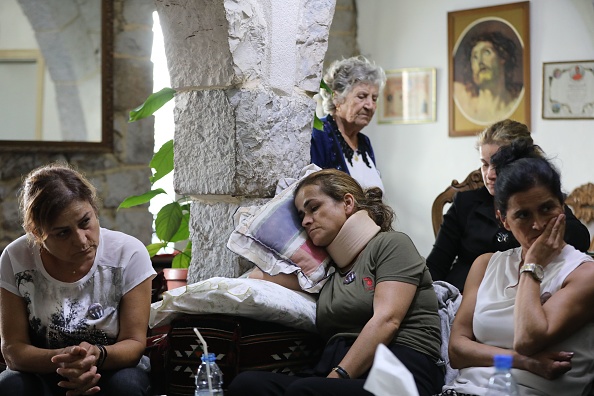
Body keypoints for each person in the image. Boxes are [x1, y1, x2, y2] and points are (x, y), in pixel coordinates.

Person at [229, 169, 444, 396]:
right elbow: (258, 275)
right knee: (248, 385)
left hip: (399, 371)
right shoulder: (324, 274)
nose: (306, 221)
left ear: (347, 203)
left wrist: (338, 375)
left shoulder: (391, 244)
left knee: (306, 390)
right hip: (335, 368)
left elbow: (387, 320)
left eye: (314, 208)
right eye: (301, 215)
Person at [441, 141, 594, 395]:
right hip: (463, 390)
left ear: (562, 206)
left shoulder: (584, 274)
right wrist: (523, 362)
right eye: (523, 215)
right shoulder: (486, 264)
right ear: (504, 220)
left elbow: (527, 339)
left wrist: (532, 266)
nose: (538, 225)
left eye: (547, 208)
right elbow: (457, 351)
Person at [0, 163, 156, 396]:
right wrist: (66, 361)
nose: (82, 240)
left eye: (85, 222)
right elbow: (13, 350)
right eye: (62, 233)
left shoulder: (128, 253)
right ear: (37, 234)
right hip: (40, 369)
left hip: (112, 367)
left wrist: (97, 355)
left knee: (126, 387)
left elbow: (134, 343)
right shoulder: (16, 258)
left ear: (94, 210)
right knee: (10, 386)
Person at [426, 119, 590, 292]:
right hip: (460, 293)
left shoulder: (543, 204)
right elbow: (436, 265)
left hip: (520, 293)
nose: (489, 174)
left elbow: (579, 239)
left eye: (498, 165)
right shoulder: (465, 202)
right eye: (484, 164)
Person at [311, 56, 386, 191]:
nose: (370, 105)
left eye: (374, 98)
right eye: (362, 96)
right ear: (337, 98)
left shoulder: (364, 142)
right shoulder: (320, 135)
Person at [453, 31, 523, 124]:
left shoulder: (516, 102)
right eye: (475, 57)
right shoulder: (464, 100)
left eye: (486, 52)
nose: (480, 61)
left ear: (503, 57)